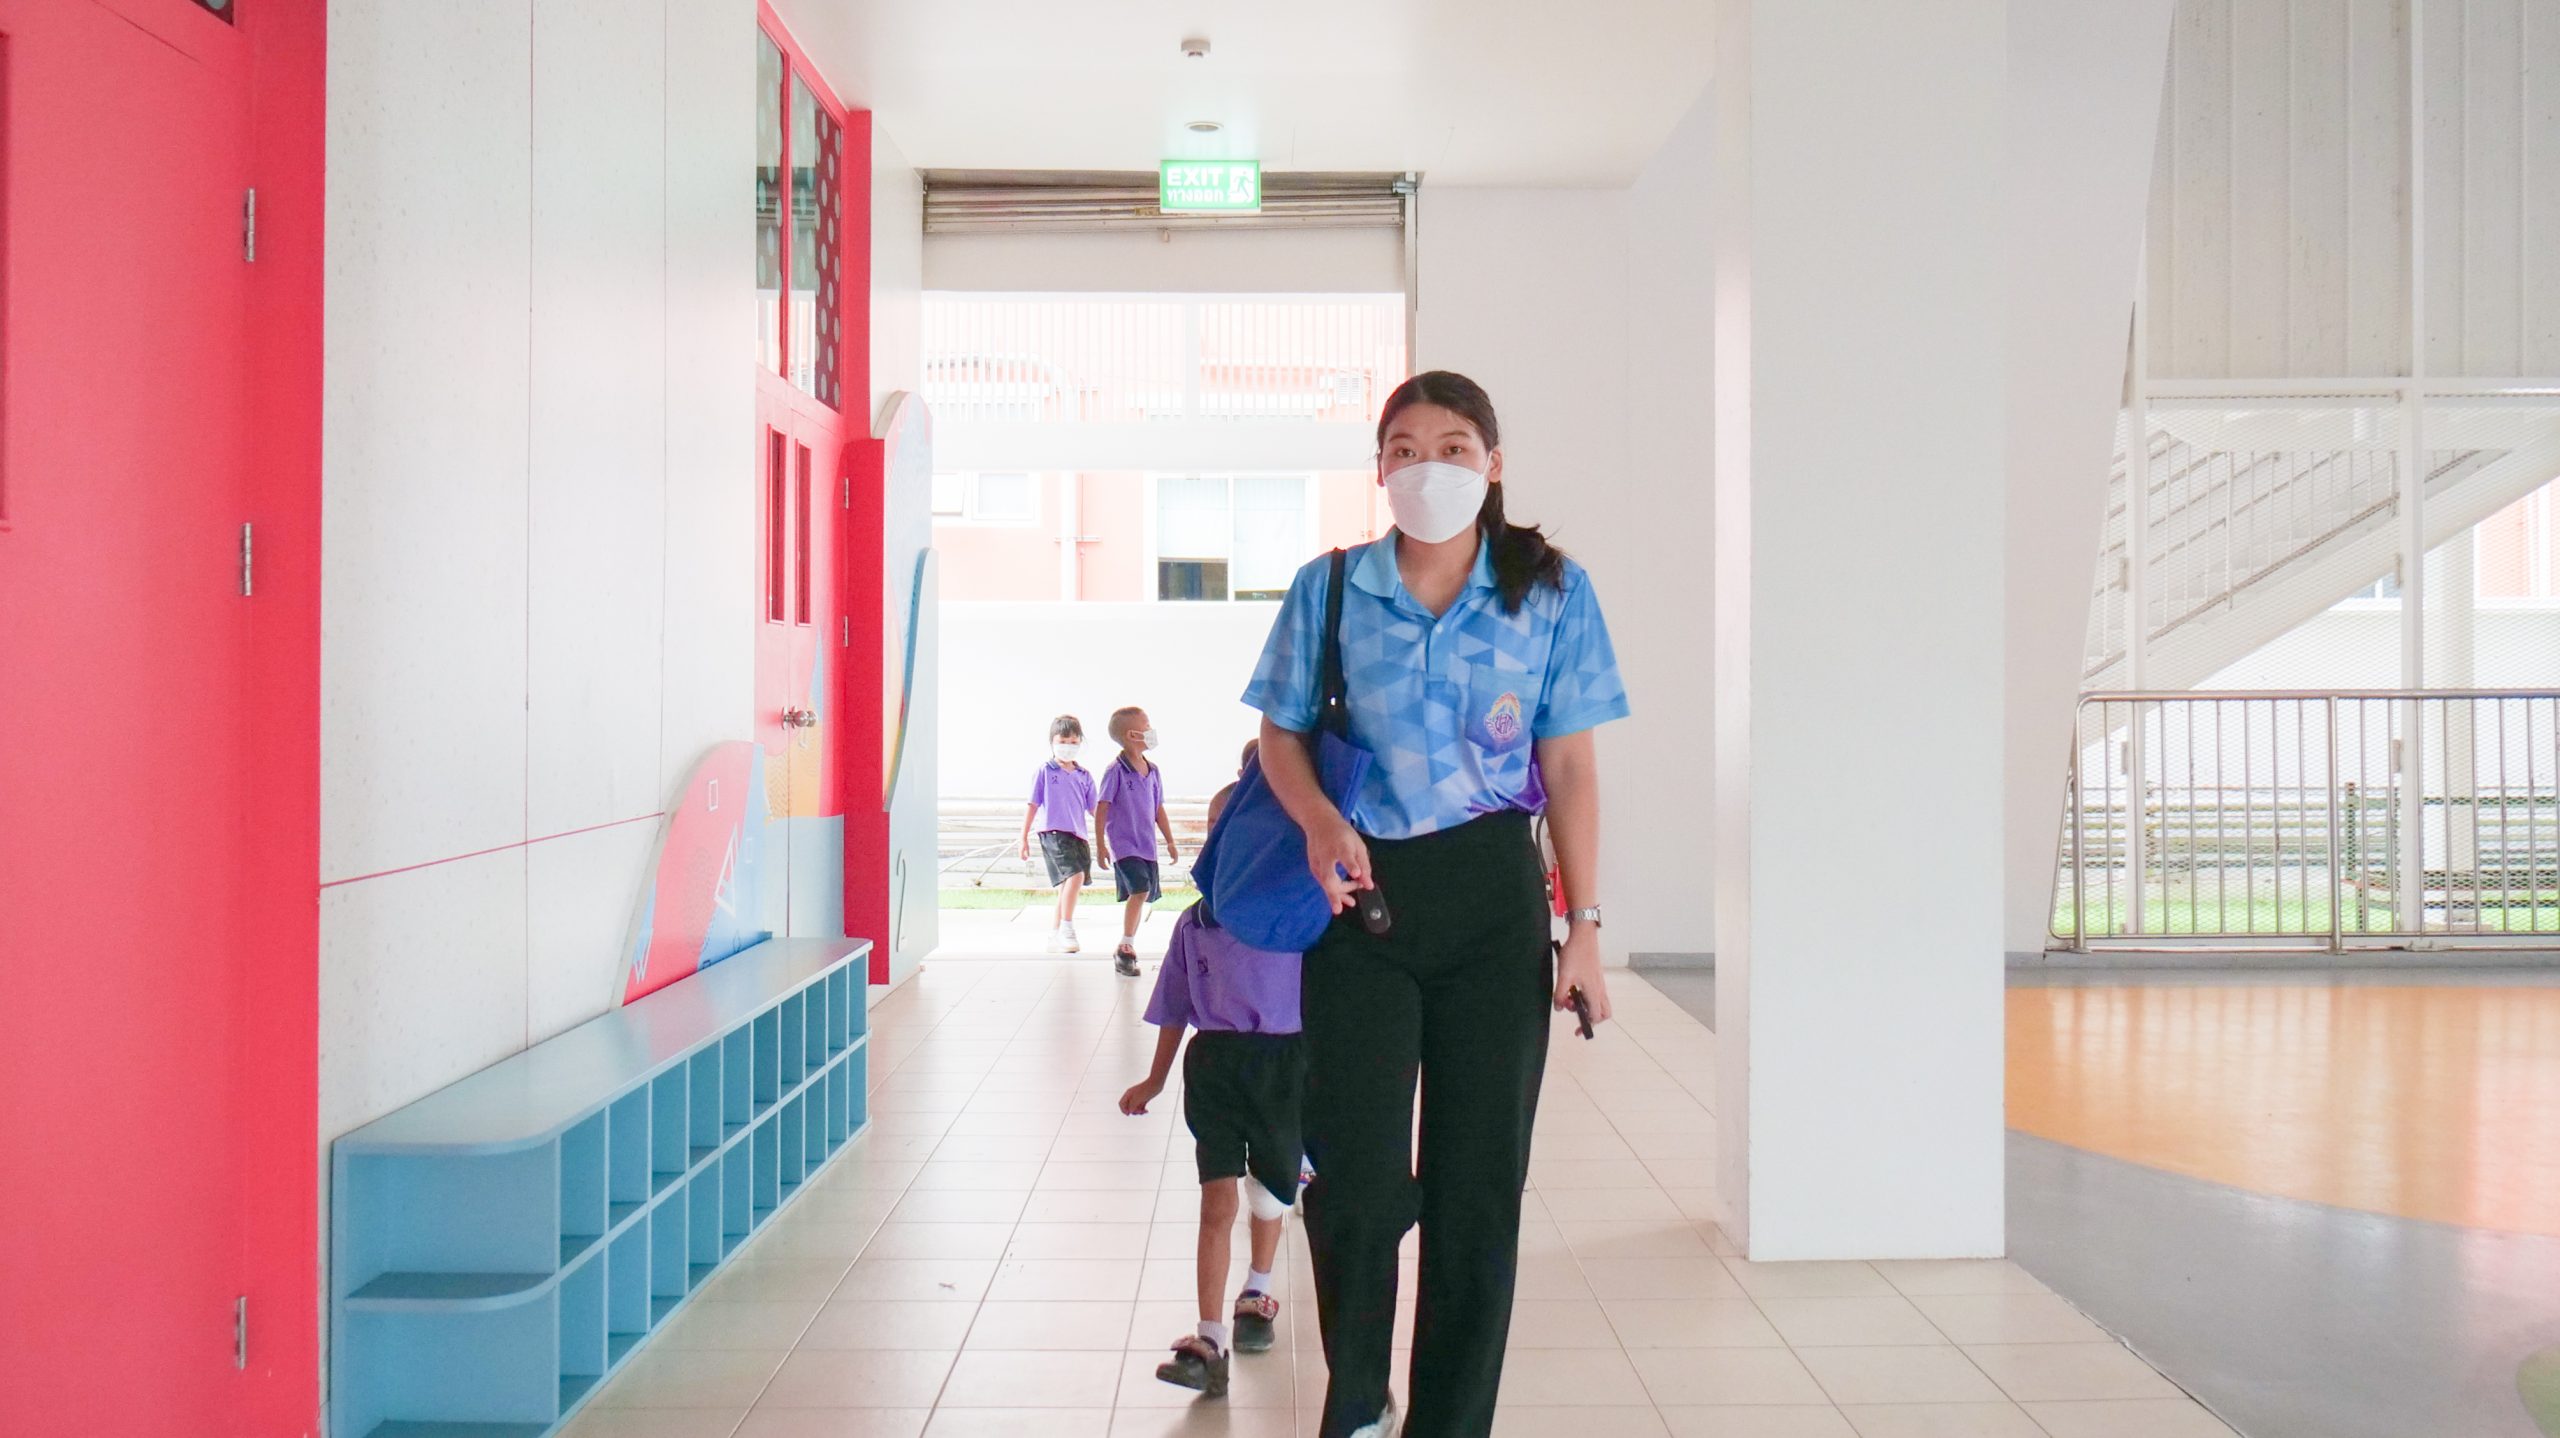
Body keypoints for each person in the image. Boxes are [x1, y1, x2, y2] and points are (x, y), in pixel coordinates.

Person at [1241, 371, 1629, 1438]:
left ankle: (1451, 1423)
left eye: (1453, 447)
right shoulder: (1330, 587)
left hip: (1494, 900)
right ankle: (1358, 1401)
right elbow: (1279, 730)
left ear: (1492, 465)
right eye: (1405, 449)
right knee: (1357, 1184)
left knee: (1477, 1189)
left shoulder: (1551, 592)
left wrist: (1584, 929)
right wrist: (1319, 820)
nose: (1429, 466)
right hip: (1360, 900)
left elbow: (1570, 766)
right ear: (1379, 470)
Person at [1119, 747, 1304, 1399]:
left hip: (1285, 1065)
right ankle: (1208, 1338)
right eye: (1216, 832)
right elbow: (1174, 1006)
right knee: (1217, 1199)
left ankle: (1258, 1290)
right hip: (1216, 1067)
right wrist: (1155, 1079)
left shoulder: (1299, 917)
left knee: (1270, 1194)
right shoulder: (1195, 924)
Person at [1095, 705, 1179, 977]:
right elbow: (1102, 807)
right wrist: (1100, 845)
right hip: (1124, 846)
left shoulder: (1153, 771)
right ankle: (1126, 946)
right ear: (1132, 735)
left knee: (1143, 894)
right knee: (1140, 889)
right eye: (1147, 726)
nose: (1151, 731)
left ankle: (1125, 945)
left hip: (1147, 847)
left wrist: (1169, 840)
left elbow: (1158, 809)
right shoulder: (1115, 771)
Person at [1015, 715, 1096, 953]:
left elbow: (1095, 809)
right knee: (1075, 876)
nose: (1067, 747)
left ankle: (1055, 933)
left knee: (1066, 886)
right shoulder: (1044, 771)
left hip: (1078, 834)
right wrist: (1023, 837)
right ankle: (1067, 928)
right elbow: (1032, 804)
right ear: (1052, 741)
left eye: (1073, 742)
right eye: (1062, 741)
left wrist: (1111, 834)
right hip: (1053, 832)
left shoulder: (1084, 775)